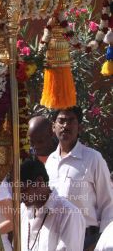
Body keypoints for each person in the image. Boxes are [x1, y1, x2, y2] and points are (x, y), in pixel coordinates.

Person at [45, 106, 113, 250]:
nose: (65, 126)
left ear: (79, 127)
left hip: (87, 241)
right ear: (53, 126)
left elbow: (108, 204)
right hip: (56, 241)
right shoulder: (50, 161)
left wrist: (100, 243)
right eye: (61, 121)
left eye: (71, 121)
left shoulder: (93, 158)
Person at [20, 158, 85, 251]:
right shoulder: (23, 210)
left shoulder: (69, 214)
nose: (20, 196)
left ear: (39, 182)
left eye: (23, 190)